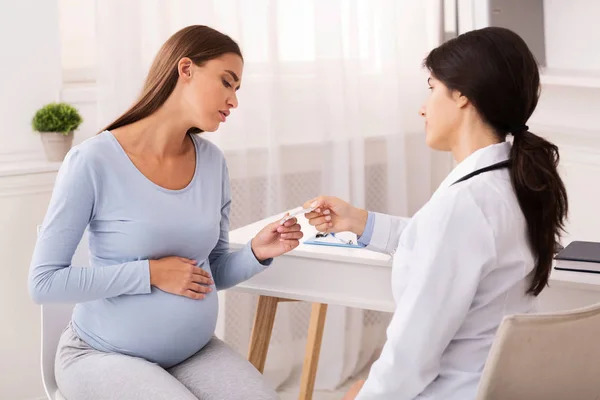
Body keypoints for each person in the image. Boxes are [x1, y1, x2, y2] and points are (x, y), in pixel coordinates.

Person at [29, 25, 303, 400]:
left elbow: (210, 272)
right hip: (101, 354)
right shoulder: (93, 161)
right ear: (186, 69)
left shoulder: (211, 162)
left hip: (193, 353)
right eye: (227, 82)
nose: (234, 101)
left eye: (237, 89)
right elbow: (43, 283)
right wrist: (150, 273)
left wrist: (257, 252)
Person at [304, 27, 568, 400]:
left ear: (462, 94)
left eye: (431, 87)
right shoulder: (513, 183)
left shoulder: (463, 207)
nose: (423, 106)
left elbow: (410, 356)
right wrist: (360, 221)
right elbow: (443, 244)